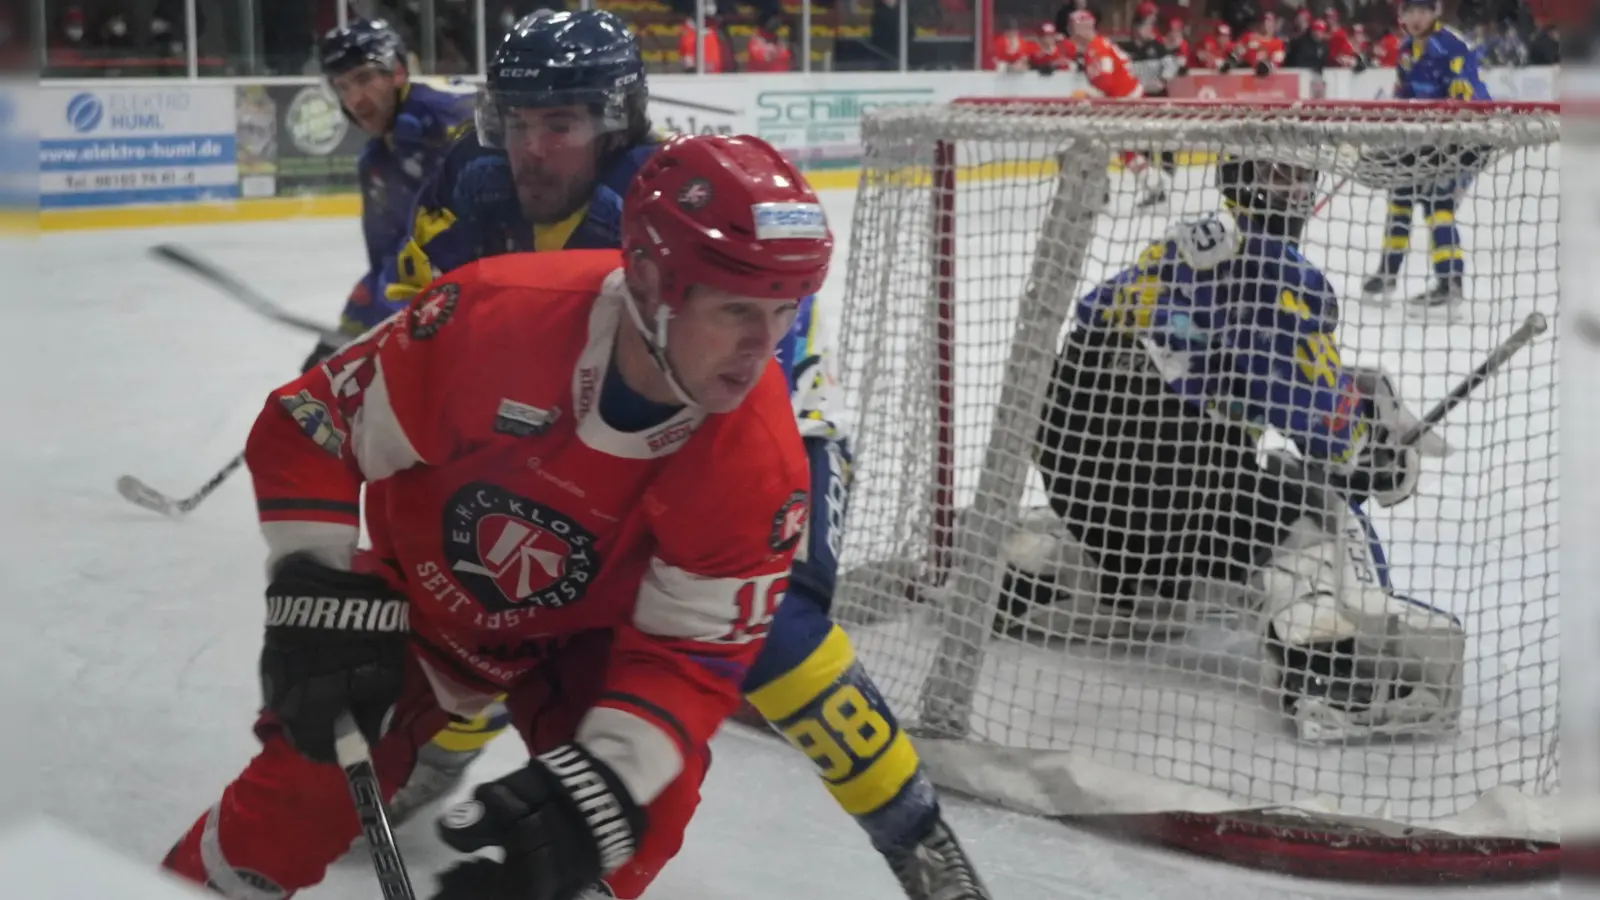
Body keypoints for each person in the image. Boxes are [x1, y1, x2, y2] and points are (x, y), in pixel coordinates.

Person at [305, 13, 997, 897]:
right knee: (498, 572)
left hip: (758, 423)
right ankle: (452, 744)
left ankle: (915, 835)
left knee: (771, 628)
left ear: (617, 120)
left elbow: (732, 389)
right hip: (584, 419)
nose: (533, 149)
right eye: (518, 122)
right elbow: (421, 306)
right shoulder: (468, 182)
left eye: (561, 124)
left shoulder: (677, 201)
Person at [160, 132, 829, 900]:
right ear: (647, 279)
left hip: (591, 644)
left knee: (627, 816)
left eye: (784, 313)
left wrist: (603, 786)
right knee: (295, 799)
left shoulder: (762, 462)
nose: (763, 349)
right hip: (426, 607)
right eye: (738, 309)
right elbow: (311, 426)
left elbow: (691, 658)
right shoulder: (494, 317)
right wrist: (313, 580)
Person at [1005, 156, 1466, 744]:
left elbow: (1104, 315)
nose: (1295, 193)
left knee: (1170, 558)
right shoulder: (1282, 273)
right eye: (1277, 178)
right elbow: (1300, 396)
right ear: (1238, 181)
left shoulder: (1184, 244)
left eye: (1302, 177)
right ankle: (1327, 680)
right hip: (1168, 489)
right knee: (1309, 528)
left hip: (1076, 478)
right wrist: (1368, 454)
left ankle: (1028, 571)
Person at [301, 19, 473, 371]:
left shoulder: (447, 118)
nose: (354, 99)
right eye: (342, 86)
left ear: (397, 71)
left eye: (364, 78)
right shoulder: (376, 164)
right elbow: (389, 263)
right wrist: (348, 331)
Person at [1360, 0, 1491, 309]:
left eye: (1423, 10)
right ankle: (1387, 275)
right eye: (1409, 11)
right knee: (1400, 200)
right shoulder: (1406, 49)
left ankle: (1450, 284)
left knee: (1438, 205)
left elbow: (1465, 98)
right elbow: (1404, 97)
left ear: (1436, 12)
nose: (1416, 18)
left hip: (1463, 140)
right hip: (1424, 140)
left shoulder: (1452, 46)